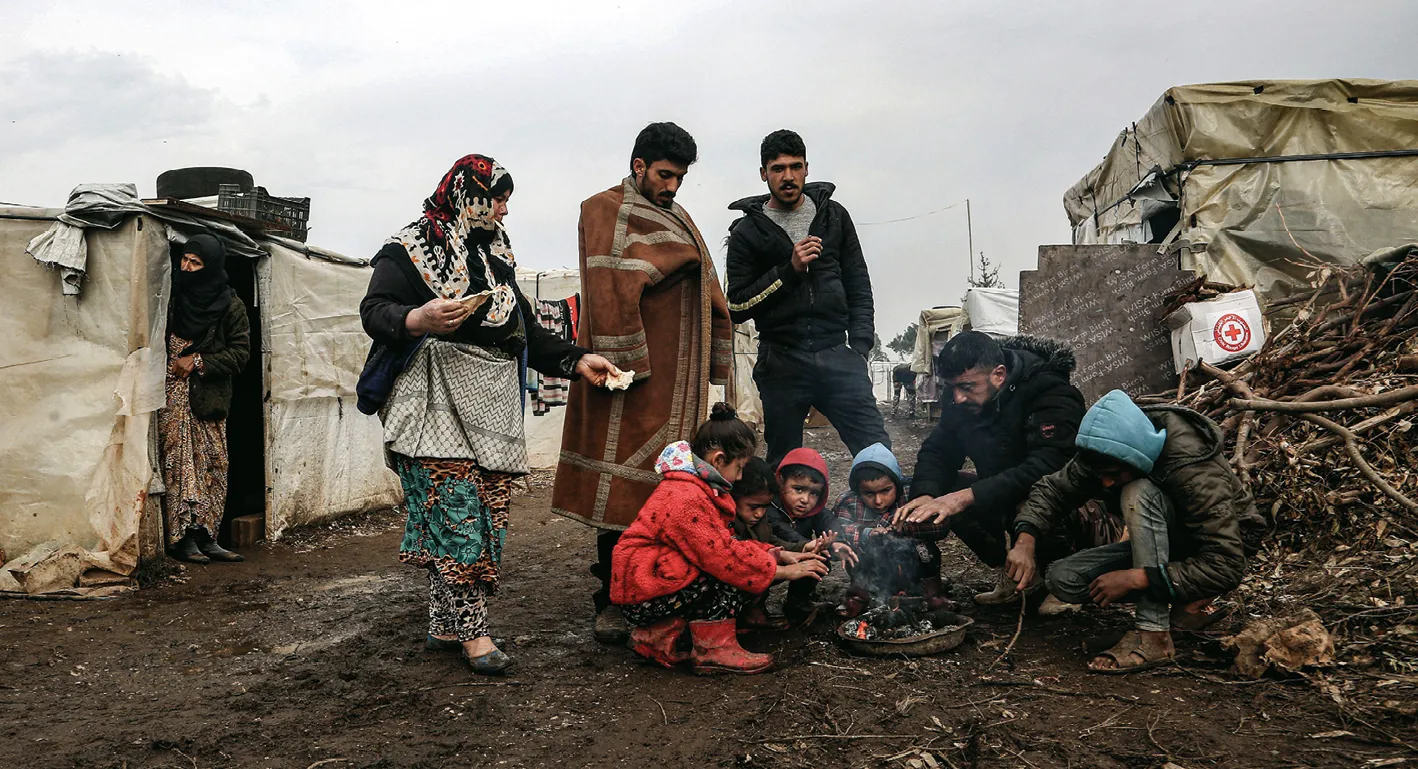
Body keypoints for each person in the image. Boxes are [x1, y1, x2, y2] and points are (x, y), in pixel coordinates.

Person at [360, 154, 616, 676]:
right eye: (498, 199)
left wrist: (574, 357)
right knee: (456, 513)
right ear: (468, 195)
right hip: (434, 397)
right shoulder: (408, 248)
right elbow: (374, 310)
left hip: (492, 402)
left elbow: (519, 321)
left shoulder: (495, 253)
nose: (504, 211)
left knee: (485, 512)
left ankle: (443, 621)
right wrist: (416, 317)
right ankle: (474, 635)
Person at [552, 122, 734, 646]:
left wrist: (714, 364)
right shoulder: (604, 208)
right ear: (639, 166)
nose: (673, 186)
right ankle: (611, 598)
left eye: (679, 177)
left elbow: (707, 283)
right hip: (628, 378)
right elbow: (610, 283)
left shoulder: (679, 215)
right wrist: (623, 365)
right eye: (664, 174)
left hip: (680, 379)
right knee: (625, 488)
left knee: (672, 487)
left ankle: (659, 594)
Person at [1006, 391, 1260, 673]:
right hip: (1159, 543)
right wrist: (1026, 540)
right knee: (1064, 579)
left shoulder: (1193, 469)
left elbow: (1226, 564)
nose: (1105, 482)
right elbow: (1053, 490)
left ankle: (1154, 636)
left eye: (1113, 473)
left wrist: (1138, 578)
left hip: (1213, 548)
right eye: (1101, 474)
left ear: (1138, 457)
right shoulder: (1108, 450)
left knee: (1138, 492)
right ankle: (1183, 607)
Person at [611, 405, 829, 675]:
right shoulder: (686, 497)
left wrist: (777, 553)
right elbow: (722, 558)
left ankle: (657, 638)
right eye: (739, 468)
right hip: (643, 598)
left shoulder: (695, 488)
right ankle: (713, 649)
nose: (739, 478)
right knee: (729, 573)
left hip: (649, 588)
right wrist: (781, 570)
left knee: (735, 565)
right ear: (718, 460)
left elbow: (724, 543)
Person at [725, 129, 889, 469]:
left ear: (806, 168)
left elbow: (858, 281)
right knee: (785, 464)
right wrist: (790, 269)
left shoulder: (834, 216)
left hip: (837, 352)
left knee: (876, 451)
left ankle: (887, 520)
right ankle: (788, 523)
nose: (788, 176)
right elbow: (737, 306)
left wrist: (859, 347)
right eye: (778, 168)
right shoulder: (746, 233)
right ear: (763, 174)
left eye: (795, 166)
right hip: (782, 359)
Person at [893, 332, 1086, 605]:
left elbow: (1049, 467)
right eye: (953, 387)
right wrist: (926, 493)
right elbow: (939, 450)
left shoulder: (1049, 391)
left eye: (967, 387)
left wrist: (965, 497)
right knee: (943, 490)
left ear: (998, 374)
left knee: (1030, 495)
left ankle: (1061, 579)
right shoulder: (960, 398)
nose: (957, 398)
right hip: (1001, 495)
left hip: (1064, 502)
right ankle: (1013, 571)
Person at [160, 233, 251, 564]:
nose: (186, 266)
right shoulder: (171, 296)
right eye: (184, 259)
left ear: (211, 266)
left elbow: (241, 354)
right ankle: (180, 537)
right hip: (172, 395)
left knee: (212, 465)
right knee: (178, 465)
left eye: (196, 263)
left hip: (206, 396)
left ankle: (206, 535)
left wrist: (197, 361)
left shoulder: (230, 305)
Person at [830, 443, 948, 618]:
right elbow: (839, 529)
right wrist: (867, 533)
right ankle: (857, 597)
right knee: (855, 553)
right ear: (857, 490)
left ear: (897, 483)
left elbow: (941, 526)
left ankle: (933, 595)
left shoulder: (912, 494)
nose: (878, 501)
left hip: (911, 562)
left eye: (886, 491)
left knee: (925, 549)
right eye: (869, 493)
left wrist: (907, 527)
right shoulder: (849, 502)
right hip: (872, 568)